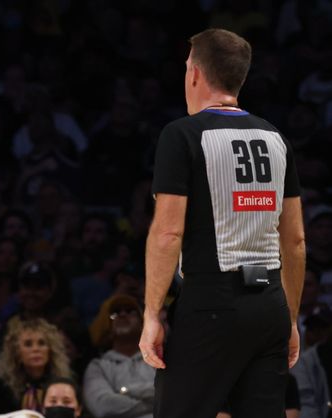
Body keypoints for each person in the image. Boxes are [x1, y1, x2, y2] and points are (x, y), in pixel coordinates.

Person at [139, 28, 306, 418]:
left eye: (187, 68)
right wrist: (290, 318)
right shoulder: (275, 137)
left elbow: (168, 232)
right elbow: (296, 240)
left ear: (195, 73)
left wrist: (152, 314)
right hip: (270, 305)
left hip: (210, 304)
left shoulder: (181, 134)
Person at [83, 295, 154, 418]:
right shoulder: (97, 366)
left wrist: (125, 390)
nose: (122, 315)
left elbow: (174, 394)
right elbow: (103, 407)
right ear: (109, 328)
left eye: (130, 311)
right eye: (115, 313)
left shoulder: (159, 359)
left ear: (143, 324)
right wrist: (156, 403)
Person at [0, 318, 72, 418]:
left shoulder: (64, 386)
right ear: (17, 353)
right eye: (28, 344)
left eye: (41, 343)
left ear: (51, 351)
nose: (36, 349)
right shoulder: (2, 389)